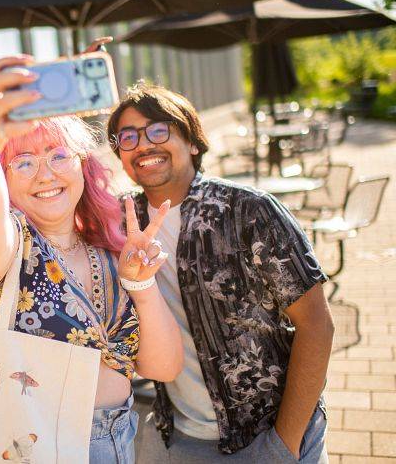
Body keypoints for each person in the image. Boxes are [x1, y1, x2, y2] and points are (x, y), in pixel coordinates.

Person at [0, 56, 184, 464]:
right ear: (1, 181)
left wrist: (141, 285)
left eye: (58, 155)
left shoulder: (108, 250)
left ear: (82, 165)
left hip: (117, 441)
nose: (45, 174)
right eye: (22, 162)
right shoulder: (4, 245)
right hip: (28, 448)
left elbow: (163, 368)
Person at [107, 83, 334, 463]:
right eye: (128, 137)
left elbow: (317, 325)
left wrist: (284, 444)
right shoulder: (120, 224)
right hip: (178, 436)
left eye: (159, 130)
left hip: (267, 433)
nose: (144, 144)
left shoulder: (250, 211)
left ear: (193, 142)